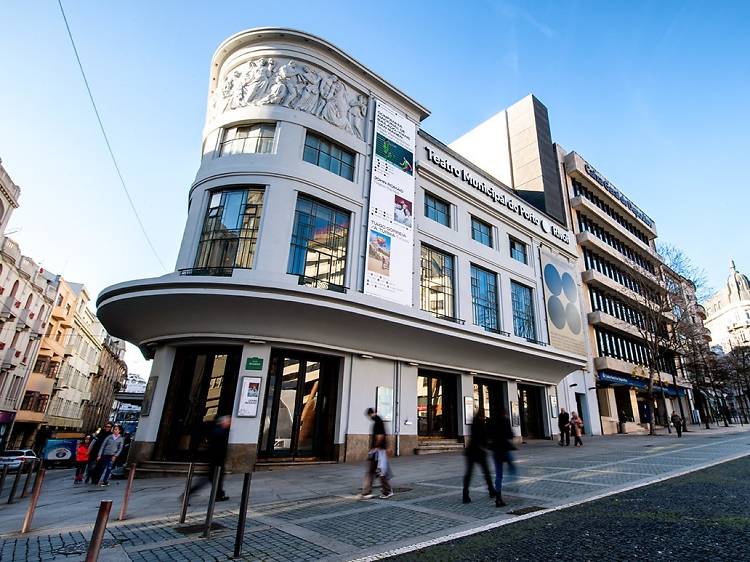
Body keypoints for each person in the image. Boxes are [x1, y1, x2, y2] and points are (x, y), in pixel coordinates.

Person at [188, 416, 231, 501]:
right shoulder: (219, 432)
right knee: (207, 480)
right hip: (215, 460)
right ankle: (187, 495)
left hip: (216, 460)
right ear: (223, 422)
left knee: (217, 479)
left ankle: (218, 494)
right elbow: (216, 447)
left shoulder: (222, 431)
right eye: (228, 421)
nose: (229, 423)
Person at [462, 411, 495, 504]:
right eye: (483, 416)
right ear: (481, 416)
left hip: (471, 451)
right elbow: (484, 438)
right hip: (479, 452)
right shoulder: (481, 424)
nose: (484, 418)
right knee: (486, 473)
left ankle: (465, 494)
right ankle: (491, 490)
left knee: (469, 473)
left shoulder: (473, 423)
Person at [361, 408, 393, 499]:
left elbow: (380, 436)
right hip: (379, 450)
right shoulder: (379, 421)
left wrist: (375, 447)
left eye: (369, 415)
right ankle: (368, 491)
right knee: (374, 471)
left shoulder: (377, 422)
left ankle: (387, 491)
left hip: (378, 451)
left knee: (379, 471)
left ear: (371, 414)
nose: (369, 417)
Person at [489, 409, 516, 507]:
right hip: (504, 449)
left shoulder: (493, 421)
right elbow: (510, 434)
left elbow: (489, 434)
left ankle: (498, 498)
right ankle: (511, 483)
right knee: (512, 467)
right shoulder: (505, 420)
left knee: (498, 474)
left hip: (496, 450)